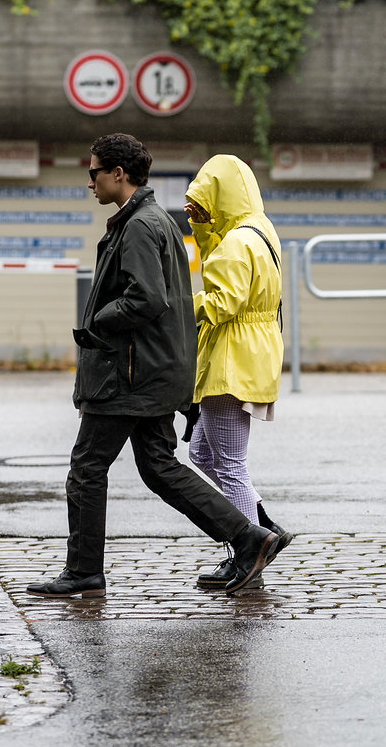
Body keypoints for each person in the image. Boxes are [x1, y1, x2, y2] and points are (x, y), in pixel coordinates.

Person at [26, 134, 283, 599]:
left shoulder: (141, 225)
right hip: (146, 371)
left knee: (87, 467)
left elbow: (148, 298)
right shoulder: (150, 220)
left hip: (129, 374)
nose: (90, 181)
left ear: (117, 174)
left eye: (94, 172)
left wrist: (99, 320)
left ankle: (84, 571)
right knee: (159, 467)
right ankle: (248, 537)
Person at [181, 154, 292, 590]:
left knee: (229, 465)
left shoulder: (235, 244)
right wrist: (205, 228)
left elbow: (221, 300)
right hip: (252, 352)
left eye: (205, 201)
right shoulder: (257, 230)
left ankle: (250, 552)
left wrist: (175, 308)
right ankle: (264, 529)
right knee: (203, 454)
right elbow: (227, 266)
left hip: (231, 359)